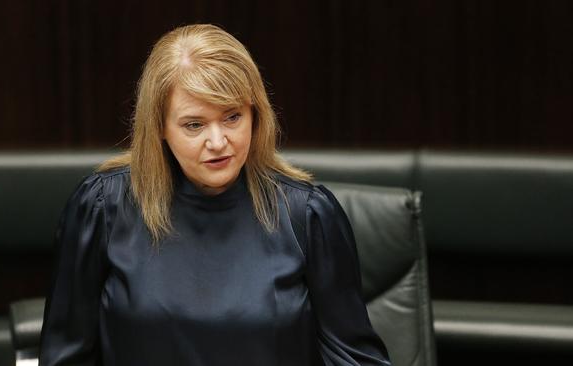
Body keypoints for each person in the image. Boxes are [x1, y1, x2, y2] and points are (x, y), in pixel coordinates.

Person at [39, 24, 390, 366]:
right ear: (159, 126)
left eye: (232, 116)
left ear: (255, 113)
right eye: (194, 124)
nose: (219, 142)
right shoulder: (101, 208)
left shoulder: (309, 214)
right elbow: (66, 356)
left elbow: (356, 359)